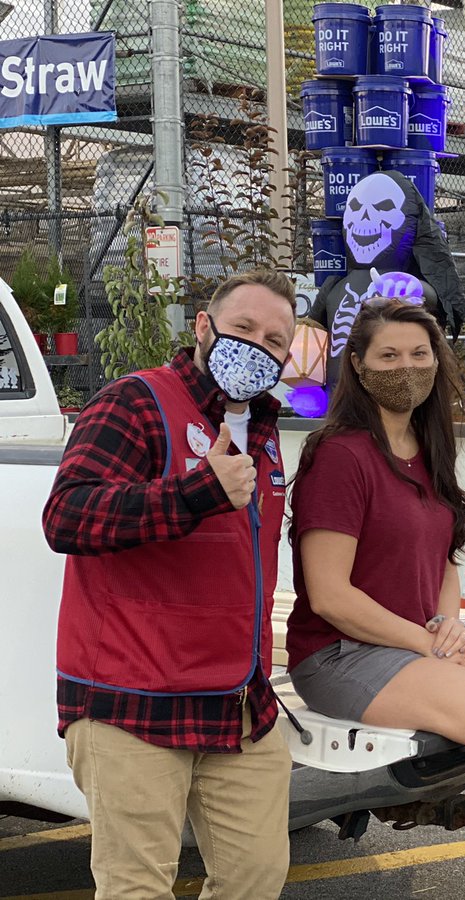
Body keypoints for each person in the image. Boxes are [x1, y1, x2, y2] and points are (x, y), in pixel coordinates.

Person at [286, 299, 465, 900]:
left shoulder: (429, 449)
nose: (407, 367)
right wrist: (428, 642)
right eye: (388, 355)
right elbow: (330, 595)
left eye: (420, 354)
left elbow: (445, 553)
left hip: (418, 644)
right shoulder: (339, 456)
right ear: (359, 367)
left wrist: (446, 624)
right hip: (343, 655)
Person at [43, 269, 298, 900]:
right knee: (137, 889)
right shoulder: (134, 401)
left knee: (255, 878)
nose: (257, 346)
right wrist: (196, 494)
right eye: (243, 328)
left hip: (238, 703)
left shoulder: (266, 436)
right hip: (131, 698)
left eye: (274, 339)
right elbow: (68, 515)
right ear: (204, 327)